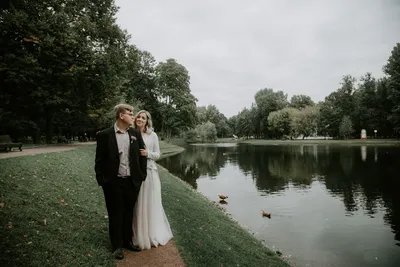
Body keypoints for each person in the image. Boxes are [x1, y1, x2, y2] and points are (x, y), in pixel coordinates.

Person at [94, 104, 147, 260]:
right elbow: (99, 160)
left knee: (128, 212)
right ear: (121, 116)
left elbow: (142, 155)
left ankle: (127, 241)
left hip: (132, 181)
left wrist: (141, 175)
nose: (133, 116)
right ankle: (117, 246)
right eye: (130, 113)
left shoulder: (135, 133)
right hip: (113, 182)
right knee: (115, 213)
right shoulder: (104, 135)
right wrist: (102, 180)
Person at [132, 110, 173, 250]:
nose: (140, 119)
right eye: (138, 116)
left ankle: (150, 233)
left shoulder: (152, 135)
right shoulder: (131, 133)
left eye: (143, 118)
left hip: (149, 172)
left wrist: (147, 153)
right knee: (137, 203)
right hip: (134, 173)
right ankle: (137, 232)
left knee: (148, 202)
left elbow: (157, 154)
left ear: (147, 121)